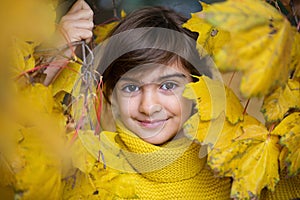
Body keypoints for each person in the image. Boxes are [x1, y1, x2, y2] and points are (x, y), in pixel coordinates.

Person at [63, 6, 300, 200]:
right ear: (110, 93)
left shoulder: (238, 164)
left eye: (168, 86)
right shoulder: (89, 171)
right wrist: (55, 54)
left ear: (200, 86)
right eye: (132, 88)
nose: (148, 106)